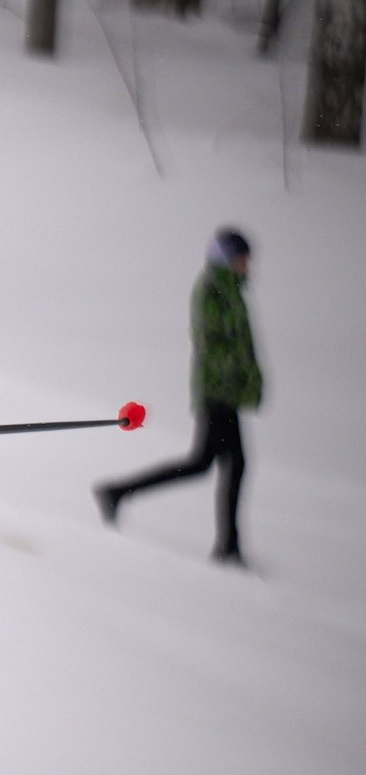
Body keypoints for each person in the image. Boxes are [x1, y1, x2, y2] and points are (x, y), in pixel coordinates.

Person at [96, 228, 263, 566]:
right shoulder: (211, 291)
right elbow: (213, 343)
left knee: (210, 464)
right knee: (222, 464)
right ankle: (227, 548)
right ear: (226, 259)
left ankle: (118, 493)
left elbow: (242, 345)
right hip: (216, 392)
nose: (247, 265)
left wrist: (251, 380)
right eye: (241, 258)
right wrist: (237, 372)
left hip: (226, 393)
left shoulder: (232, 292)